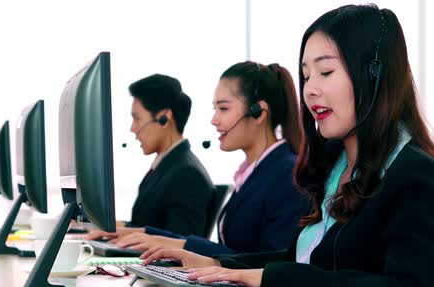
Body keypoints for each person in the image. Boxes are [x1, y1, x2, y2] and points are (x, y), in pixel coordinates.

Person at [141, 5, 434, 287]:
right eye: (306, 75)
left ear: (374, 76)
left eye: (325, 73)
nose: (309, 89)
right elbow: (300, 260)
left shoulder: (415, 176)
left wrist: (269, 279)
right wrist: (216, 263)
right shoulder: (335, 168)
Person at [98, 62, 310, 257]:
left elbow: (270, 262)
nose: (214, 120)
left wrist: (178, 246)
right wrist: (149, 235)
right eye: (214, 108)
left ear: (258, 112)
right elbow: (236, 251)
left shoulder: (287, 174)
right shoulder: (254, 173)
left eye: (224, 108)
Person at [97, 74, 215, 237]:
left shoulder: (187, 174)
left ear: (164, 118)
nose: (133, 128)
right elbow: (145, 224)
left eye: (137, 119)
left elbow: (179, 241)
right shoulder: (166, 166)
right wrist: (100, 227)